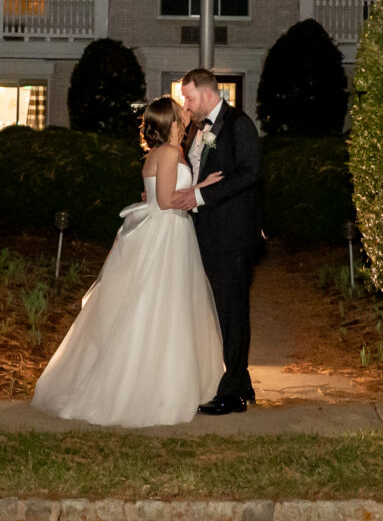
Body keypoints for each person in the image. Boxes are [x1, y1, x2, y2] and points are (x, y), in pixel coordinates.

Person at [30, 95, 224, 427]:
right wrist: (202, 189)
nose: (185, 115)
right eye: (180, 114)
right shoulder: (165, 153)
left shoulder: (163, 153)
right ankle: (151, 389)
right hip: (166, 235)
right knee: (160, 308)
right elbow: (163, 201)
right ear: (171, 123)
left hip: (170, 234)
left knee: (167, 308)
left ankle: (163, 381)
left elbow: (152, 197)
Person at [179, 68, 262, 414]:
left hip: (230, 235)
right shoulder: (199, 131)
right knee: (220, 311)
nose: (186, 104)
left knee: (231, 312)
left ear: (209, 94)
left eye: (190, 97)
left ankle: (231, 393)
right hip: (206, 234)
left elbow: (250, 173)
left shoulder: (238, 124)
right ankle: (241, 384)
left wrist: (201, 198)